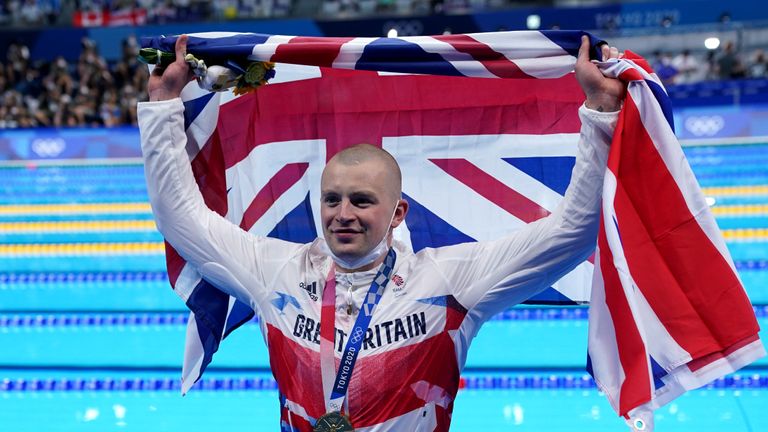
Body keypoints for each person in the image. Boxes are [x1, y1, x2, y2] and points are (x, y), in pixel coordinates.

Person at [138, 34, 625, 431]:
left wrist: (601, 112)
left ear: (398, 213)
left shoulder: (447, 283)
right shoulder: (277, 273)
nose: (342, 214)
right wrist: (162, 104)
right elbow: (183, 221)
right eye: (332, 199)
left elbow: (572, 232)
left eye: (362, 201)